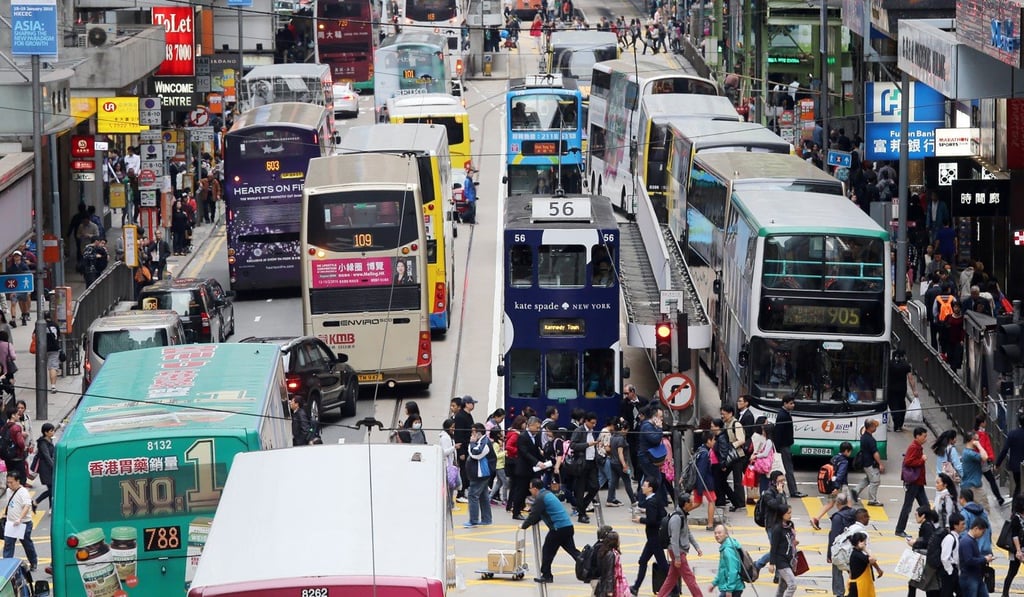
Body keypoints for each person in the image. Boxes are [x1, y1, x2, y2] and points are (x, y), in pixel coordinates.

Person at [520, 478, 580, 584]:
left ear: (535, 489)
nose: (530, 491)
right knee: (573, 551)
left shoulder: (540, 498)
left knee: (547, 551)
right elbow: (540, 514)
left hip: (558, 529)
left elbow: (534, 515)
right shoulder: (548, 494)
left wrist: (523, 526)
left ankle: (547, 575)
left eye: (530, 488)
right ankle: (589, 570)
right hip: (567, 526)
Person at [658, 491, 703, 597]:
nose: (693, 505)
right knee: (690, 578)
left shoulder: (682, 515)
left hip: (678, 551)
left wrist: (697, 547)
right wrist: (677, 558)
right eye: (691, 502)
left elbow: (688, 532)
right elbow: (674, 540)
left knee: (671, 579)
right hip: (677, 551)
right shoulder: (676, 518)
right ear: (685, 504)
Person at [896, 427, 930, 538]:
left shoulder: (917, 447)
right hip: (914, 482)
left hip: (918, 481)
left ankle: (929, 528)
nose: (925, 438)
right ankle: (900, 529)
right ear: (917, 436)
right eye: (924, 436)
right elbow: (908, 462)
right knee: (908, 507)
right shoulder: (914, 447)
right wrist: (922, 460)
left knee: (925, 506)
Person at [811, 442, 853, 530]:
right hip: (841, 486)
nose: (850, 453)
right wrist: (836, 487)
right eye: (850, 451)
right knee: (848, 504)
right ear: (846, 451)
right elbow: (840, 474)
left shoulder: (834, 458)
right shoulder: (844, 461)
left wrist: (834, 486)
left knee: (830, 504)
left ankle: (816, 519)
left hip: (832, 484)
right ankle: (845, 523)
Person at [513, 417, 548, 520]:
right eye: (537, 427)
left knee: (536, 490)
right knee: (521, 491)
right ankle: (516, 512)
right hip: (524, 469)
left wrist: (544, 460)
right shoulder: (523, 436)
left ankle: (537, 511)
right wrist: (537, 462)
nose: (538, 429)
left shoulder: (536, 436)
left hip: (534, 470)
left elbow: (537, 451)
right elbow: (525, 453)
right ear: (530, 425)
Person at [0, 470, 36, 570]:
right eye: (8, 482)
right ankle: (6, 566)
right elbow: (11, 504)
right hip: (11, 523)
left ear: (18, 481)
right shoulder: (8, 491)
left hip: (23, 524)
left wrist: (20, 518)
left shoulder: (23, 492)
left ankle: (33, 562)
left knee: (27, 544)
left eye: (11, 482)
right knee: (8, 545)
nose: (9, 484)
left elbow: (27, 506)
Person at [755, 471, 789, 570]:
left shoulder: (782, 492)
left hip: (782, 524)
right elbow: (774, 505)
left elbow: (785, 507)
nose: (782, 483)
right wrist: (780, 494)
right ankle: (758, 564)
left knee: (779, 550)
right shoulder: (768, 493)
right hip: (772, 526)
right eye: (780, 481)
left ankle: (777, 573)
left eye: (783, 480)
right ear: (774, 482)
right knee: (776, 550)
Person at [571, 411, 601, 523]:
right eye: (592, 423)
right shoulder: (579, 431)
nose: (594, 425)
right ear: (586, 421)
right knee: (580, 490)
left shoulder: (592, 432)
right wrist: (588, 444)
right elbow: (573, 445)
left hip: (592, 463)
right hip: (581, 464)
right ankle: (581, 514)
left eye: (595, 423)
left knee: (595, 486)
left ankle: (582, 507)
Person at [774, 395, 805, 497]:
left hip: (785, 445)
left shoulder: (785, 413)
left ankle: (792, 490)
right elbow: (778, 433)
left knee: (787, 468)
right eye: (791, 403)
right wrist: (778, 448)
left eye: (793, 403)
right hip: (783, 446)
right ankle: (793, 491)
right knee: (788, 469)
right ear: (785, 403)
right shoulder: (783, 415)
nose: (793, 405)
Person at [827, 494, 858, 597]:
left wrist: (829, 554)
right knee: (853, 571)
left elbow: (834, 537)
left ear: (838, 503)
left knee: (837, 570)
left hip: (840, 549)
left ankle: (839, 593)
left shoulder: (837, 517)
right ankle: (855, 590)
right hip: (853, 547)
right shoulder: (854, 513)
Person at [465, 423, 495, 528]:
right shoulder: (482, 441)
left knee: (473, 495)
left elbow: (476, 454)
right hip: (481, 474)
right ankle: (486, 519)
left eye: (473, 432)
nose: (471, 434)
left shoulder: (484, 443)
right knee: (483, 496)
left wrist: (471, 443)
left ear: (478, 432)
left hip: (480, 474)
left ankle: (473, 520)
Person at [907, 507, 939, 597]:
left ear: (923, 516)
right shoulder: (928, 524)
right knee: (925, 586)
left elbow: (928, 541)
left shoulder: (927, 526)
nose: (915, 516)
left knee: (915, 584)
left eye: (916, 514)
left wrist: (915, 543)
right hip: (926, 560)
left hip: (926, 560)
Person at [767, 504, 798, 597]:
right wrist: (771, 564)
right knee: (792, 585)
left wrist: (794, 542)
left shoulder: (790, 525)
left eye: (790, 513)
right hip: (781, 561)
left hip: (790, 559)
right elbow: (774, 547)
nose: (790, 515)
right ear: (782, 514)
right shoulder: (777, 529)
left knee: (782, 587)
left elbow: (790, 538)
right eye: (788, 513)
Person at [959, 518, 995, 597]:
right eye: (982, 532)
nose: (982, 535)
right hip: (969, 578)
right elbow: (969, 560)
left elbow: (975, 556)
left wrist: (984, 557)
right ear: (976, 529)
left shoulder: (972, 540)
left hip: (977, 576)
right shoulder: (966, 542)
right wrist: (984, 559)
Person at [975, 416, 1006, 507]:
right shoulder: (982, 434)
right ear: (981, 423)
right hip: (983, 461)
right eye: (984, 422)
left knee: (978, 480)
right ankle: (999, 498)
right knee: (991, 480)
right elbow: (984, 447)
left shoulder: (975, 433)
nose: (986, 423)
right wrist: (989, 457)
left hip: (977, 461)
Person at [620, 384, 649, 480]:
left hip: (642, 430)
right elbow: (623, 415)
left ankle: (643, 473)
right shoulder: (624, 403)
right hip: (631, 432)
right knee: (633, 453)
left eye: (627, 393)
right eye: (624, 393)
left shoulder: (643, 401)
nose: (626, 395)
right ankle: (637, 474)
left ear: (632, 392)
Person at [722, 405, 747, 511]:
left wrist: (732, 445)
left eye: (724, 414)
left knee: (737, 481)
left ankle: (740, 503)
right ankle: (734, 501)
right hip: (730, 456)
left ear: (730, 413)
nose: (722, 416)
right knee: (722, 478)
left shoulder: (736, 424)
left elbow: (742, 440)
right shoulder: (726, 424)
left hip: (737, 456)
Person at [709, 524, 744, 597]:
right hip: (730, 586)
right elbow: (723, 570)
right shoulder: (725, 547)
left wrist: (729, 589)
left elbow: (733, 570)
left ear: (726, 534)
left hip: (733, 588)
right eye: (715, 533)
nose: (717, 535)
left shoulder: (728, 550)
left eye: (719, 533)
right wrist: (714, 583)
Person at [854, 420, 884, 505]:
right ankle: (872, 500)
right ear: (870, 427)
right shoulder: (870, 439)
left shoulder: (863, 437)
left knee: (868, 479)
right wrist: (880, 464)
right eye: (874, 426)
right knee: (875, 481)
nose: (876, 428)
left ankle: (855, 492)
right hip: (870, 463)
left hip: (865, 462)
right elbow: (875, 453)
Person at [608, 420, 636, 507]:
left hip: (613, 462)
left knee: (613, 481)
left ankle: (609, 499)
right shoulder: (621, 439)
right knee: (627, 481)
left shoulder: (612, 437)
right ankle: (633, 501)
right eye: (627, 430)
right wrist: (624, 465)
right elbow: (620, 453)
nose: (627, 432)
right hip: (620, 463)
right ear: (623, 429)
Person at [888, 350, 917, 432]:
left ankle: (896, 424)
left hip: (890, 389)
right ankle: (899, 425)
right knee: (902, 406)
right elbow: (910, 378)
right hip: (902, 389)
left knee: (894, 406)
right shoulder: (906, 365)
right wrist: (914, 390)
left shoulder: (889, 364)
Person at [693, 431, 717, 530]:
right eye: (713, 439)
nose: (715, 442)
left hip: (700, 482)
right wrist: (700, 487)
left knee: (697, 502)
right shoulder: (705, 454)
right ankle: (710, 524)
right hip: (705, 482)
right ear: (709, 441)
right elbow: (701, 471)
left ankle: (681, 512)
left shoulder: (700, 450)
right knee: (712, 500)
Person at [961, 433, 990, 513]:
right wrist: (979, 445)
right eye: (977, 439)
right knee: (985, 510)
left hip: (968, 485)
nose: (978, 441)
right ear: (972, 440)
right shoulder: (970, 453)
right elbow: (985, 457)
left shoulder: (966, 452)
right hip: (974, 487)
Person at [1002, 496, 1024, 597]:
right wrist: (1018, 551)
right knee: (1012, 571)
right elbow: (1014, 535)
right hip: (1016, 549)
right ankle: (1005, 593)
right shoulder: (1016, 518)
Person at [960, 488, 992, 557]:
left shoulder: (964, 513)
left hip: (972, 550)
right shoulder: (983, 512)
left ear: (962, 499)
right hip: (985, 549)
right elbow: (989, 530)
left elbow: (963, 532)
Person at [997, 415, 1024, 497]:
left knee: (1018, 486)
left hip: (1015, 466)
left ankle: (1015, 503)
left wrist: (998, 463)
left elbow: (1005, 449)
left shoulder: (1012, 434)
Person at [939, 514, 966, 597]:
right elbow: (944, 558)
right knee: (947, 594)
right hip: (949, 571)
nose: (964, 526)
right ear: (955, 526)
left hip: (954, 570)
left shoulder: (956, 537)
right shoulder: (950, 538)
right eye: (962, 524)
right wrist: (950, 571)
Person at [594, 530, 627, 597]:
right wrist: (610, 590)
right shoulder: (611, 555)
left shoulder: (603, 551)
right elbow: (610, 572)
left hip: (603, 582)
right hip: (608, 585)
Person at [847, 532, 880, 597]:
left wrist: (878, 570)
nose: (865, 543)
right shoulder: (857, 555)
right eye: (865, 541)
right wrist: (865, 549)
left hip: (858, 585)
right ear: (860, 542)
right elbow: (873, 559)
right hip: (858, 586)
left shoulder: (857, 553)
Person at [30, 423, 54, 512]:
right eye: (51, 431)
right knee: (52, 488)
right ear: (46, 432)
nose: (53, 432)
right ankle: (36, 501)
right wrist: (54, 466)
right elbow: (47, 456)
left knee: (51, 488)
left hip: (49, 467)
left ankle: (51, 507)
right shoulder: (42, 443)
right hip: (45, 468)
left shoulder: (50, 440)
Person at [41, 313, 60, 393]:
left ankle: (41, 385)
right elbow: (58, 336)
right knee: (53, 367)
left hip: (42, 349)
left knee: (41, 367)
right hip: (54, 348)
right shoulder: (55, 325)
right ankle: (53, 386)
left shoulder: (41, 325)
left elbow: (34, 335)